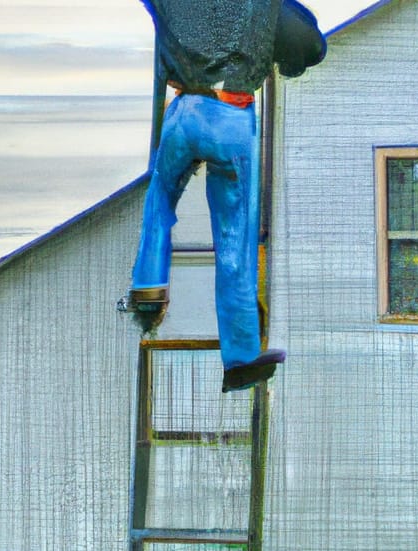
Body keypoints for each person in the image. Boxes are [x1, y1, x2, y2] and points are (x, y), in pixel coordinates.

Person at [126, 0, 326, 392]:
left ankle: (147, 294)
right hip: (232, 116)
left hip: (183, 112)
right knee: (236, 240)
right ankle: (240, 358)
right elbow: (307, 46)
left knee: (160, 199)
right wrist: (284, 58)